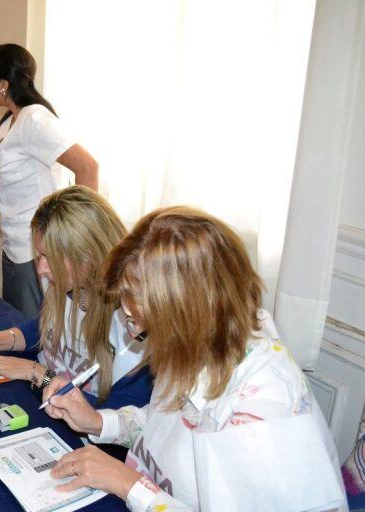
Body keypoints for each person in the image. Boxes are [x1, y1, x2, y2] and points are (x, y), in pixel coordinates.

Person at [43, 207, 347, 511]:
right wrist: (99, 422)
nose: (134, 337)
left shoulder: (265, 420)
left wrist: (128, 484)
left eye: (139, 324)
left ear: (184, 321)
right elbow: (163, 423)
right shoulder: (201, 346)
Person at [0, 186, 149, 411]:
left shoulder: (133, 323)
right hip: (42, 398)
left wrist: (34, 372)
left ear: (89, 256)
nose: (41, 268)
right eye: (40, 255)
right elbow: (45, 330)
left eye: (50, 257)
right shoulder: (68, 282)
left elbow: (114, 419)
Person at [0, 43, 99, 319]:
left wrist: (77, 236)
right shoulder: (12, 121)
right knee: (18, 323)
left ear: (2, 84)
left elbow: (88, 167)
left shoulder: (35, 119)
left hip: (35, 251)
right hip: (14, 243)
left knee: (33, 333)